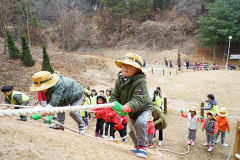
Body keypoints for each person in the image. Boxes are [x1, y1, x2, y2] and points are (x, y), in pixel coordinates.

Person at [110, 53, 154, 158]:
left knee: (140, 123)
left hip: (144, 108)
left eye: (129, 66)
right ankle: (136, 145)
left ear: (137, 70)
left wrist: (126, 107)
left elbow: (138, 99)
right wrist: (115, 106)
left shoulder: (140, 81)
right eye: (123, 65)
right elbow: (114, 97)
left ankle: (142, 147)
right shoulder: (119, 81)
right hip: (130, 110)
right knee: (132, 130)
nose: (125, 67)